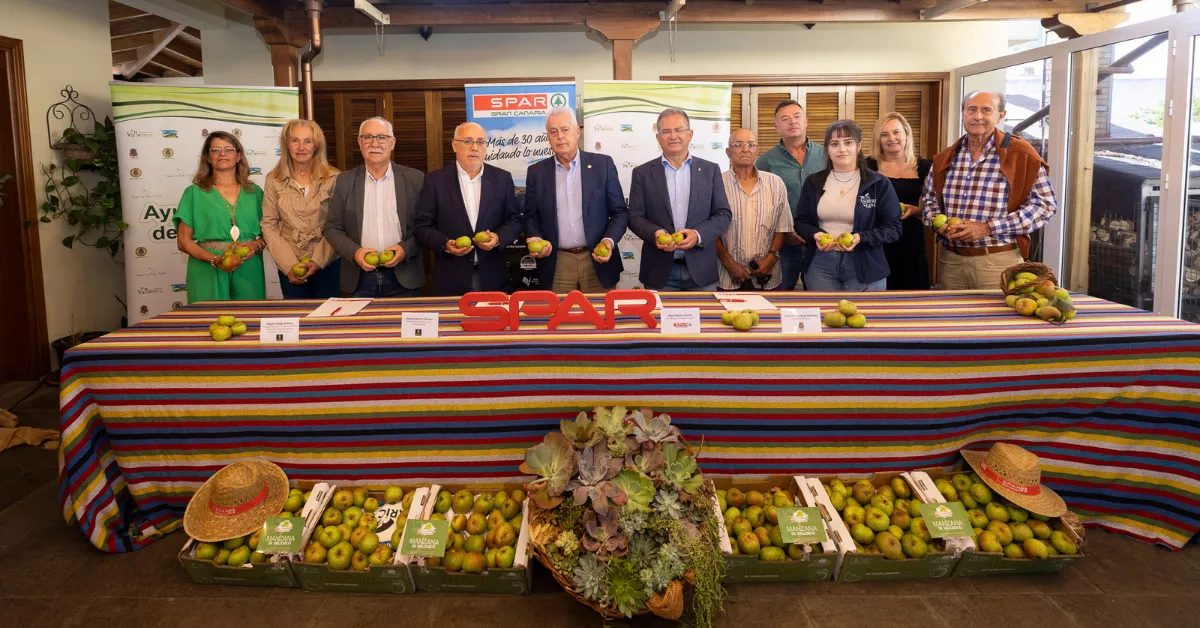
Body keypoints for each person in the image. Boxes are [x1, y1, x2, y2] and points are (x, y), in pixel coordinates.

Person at [920, 91, 1058, 290]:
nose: (978, 116)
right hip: (951, 262)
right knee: (953, 320)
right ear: (963, 114)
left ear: (1001, 115)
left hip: (998, 262)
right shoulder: (946, 157)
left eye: (986, 110)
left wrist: (987, 228)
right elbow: (929, 202)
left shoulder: (1021, 154)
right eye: (972, 110)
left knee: (998, 321)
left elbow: (1045, 206)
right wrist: (935, 223)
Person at [523, 107, 628, 293]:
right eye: (553, 132)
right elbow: (531, 216)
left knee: (602, 319)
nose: (560, 136)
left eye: (565, 129)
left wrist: (608, 241)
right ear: (548, 136)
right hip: (557, 263)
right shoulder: (536, 173)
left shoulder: (602, 165)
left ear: (577, 131)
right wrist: (537, 237)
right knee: (562, 320)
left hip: (597, 260)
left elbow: (620, 212)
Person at [628, 108, 732, 292]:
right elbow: (635, 217)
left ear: (690, 134)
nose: (673, 136)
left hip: (702, 270)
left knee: (706, 321)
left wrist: (698, 235)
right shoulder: (642, 173)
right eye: (666, 131)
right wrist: (655, 233)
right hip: (659, 272)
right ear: (658, 138)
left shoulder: (710, 170)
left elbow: (723, 214)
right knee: (658, 321)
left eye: (679, 130)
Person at [415, 122, 522, 296]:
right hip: (451, 277)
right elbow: (422, 227)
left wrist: (498, 238)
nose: (474, 148)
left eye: (480, 142)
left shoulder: (502, 178)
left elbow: (514, 220)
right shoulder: (435, 181)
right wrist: (445, 244)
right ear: (454, 145)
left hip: (492, 276)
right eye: (467, 141)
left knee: (493, 323)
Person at [794, 120, 902, 291]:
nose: (841, 149)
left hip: (866, 265)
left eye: (848, 142)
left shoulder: (878, 183)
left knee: (863, 317)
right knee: (825, 316)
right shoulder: (813, 182)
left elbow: (894, 228)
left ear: (858, 146)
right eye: (835, 144)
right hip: (820, 265)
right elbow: (800, 221)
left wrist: (861, 238)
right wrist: (815, 235)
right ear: (827, 149)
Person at [324, 116, 425, 298]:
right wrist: (355, 253)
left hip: (405, 278)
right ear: (360, 142)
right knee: (361, 328)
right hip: (358, 280)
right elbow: (332, 228)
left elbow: (426, 226)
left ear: (392, 143)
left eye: (382, 137)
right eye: (367, 137)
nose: (374, 143)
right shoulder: (345, 181)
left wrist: (405, 250)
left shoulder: (415, 179)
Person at [174, 131, 265, 303]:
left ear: (238, 156)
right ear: (208, 157)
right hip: (207, 267)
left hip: (249, 267)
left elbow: (269, 233)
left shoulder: (255, 193)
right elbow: (183, 241)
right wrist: (215, 260)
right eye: (215, 150)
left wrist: (255, 245)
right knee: (208, 322)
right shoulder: (194, 193)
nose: (222, 153)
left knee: (249, 320)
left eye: (228, 149)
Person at [260, 119, 340, 299]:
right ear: (286, 144)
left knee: (327, 321)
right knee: (296, 318)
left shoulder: (334, 178)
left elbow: (338, 225)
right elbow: (269, 225)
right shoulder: (274, 179)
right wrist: (288, 265)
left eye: (308, 141)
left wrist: (318, 261)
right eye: (295, 140)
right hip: (290, 262)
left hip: (328, 262)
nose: (301, 147)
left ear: (316, 145)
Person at [756, 100, 826, 290]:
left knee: (820, 299)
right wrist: (784, 233)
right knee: (781, 296)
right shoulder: (765, 161)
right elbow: (758, 204)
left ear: (806, 122)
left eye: (797, 117)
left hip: (823, 241)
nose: (792, 122)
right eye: (785, 119)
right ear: (776, 127)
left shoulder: (827, 154)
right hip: (783, 244)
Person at [717, 128, 793, 291]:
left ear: (757, 151)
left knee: (768, 317)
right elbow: (710, 229)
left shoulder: (775, 183)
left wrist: (771, 258)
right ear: (728, 152)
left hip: (768, 276)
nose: (745, 149)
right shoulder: (716, 183)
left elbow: (782, 227)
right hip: (726, 276)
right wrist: (728, 263)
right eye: (738, 145)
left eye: (751, 144)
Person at [867, 112, 932, 290]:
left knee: (913, 298)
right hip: (878, 240)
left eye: (896, 132)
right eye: (885, 134)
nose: (891, 138)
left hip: (911, 241)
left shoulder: (925, 167)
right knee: (879, 299)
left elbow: (935, 207)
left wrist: (916, 211)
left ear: (906, 134)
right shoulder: (866, 167)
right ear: (878, 139)